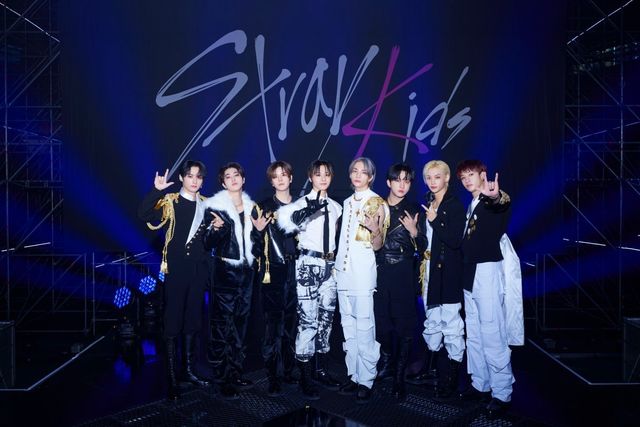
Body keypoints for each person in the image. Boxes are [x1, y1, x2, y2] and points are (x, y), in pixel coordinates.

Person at [138, 160, 211, 401]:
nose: (194, 180)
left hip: (198, 272)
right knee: (172, 322)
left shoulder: (207, 205)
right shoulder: (171, 201)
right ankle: (171, 378)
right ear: (181, 178)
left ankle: (188, 371)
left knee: (193, 320)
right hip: (176, 271)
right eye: (190, 176)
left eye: (199, 177)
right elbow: (144, 214)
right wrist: (156, 190)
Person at [277, 160, 342, 400]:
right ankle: (304, 376)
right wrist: (306, 211)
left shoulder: (337, 207)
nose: (323, 178)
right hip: (308, 264)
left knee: (326, 320)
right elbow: (287, 226)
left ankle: (320, 370)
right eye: (318, 174)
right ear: (310, 177)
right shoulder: (300, 204)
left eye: (327, 174)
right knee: (307, 322)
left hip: (330, 267)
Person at [456, 159, 514, 418]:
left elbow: (501, 203)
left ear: (483, 174)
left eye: (471, 174)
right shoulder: (472, 205)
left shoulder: (490, 199)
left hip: (488, 271)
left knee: (492, 332)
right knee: (475, 334)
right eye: (463, 177)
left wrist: (496, 196)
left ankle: (502, 393)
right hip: (470, 273)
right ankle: (481, 384)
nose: (467, 180)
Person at [335, 157, 389, 403]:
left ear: (371, 176)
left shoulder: (377, 202)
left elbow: (377, 245)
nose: (358, 175)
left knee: (365, 327)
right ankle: (354, 375)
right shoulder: (346, 202)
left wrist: (374, 228)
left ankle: (367, 379)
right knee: (348, 327)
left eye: (363, 172)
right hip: (343, 272)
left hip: (363, 275)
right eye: (354, 171)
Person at [203, 162, 258, 399]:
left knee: (241, 326)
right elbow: (207, 243)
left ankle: (235, 372)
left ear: (243, 179)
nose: (233, 178)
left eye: (237, 174)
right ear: (223, 183)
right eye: (228, 176)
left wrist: (259, 232)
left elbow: (256, 243)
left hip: (247, 273)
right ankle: (221, 378)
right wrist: (216, 229)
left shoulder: (253, 207)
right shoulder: (214, 207)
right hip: (225, 271)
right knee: (221, 327)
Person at [374, 163, 426, 399]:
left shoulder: (414, 209)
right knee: (382, 323)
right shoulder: (377, 206)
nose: (402, 184)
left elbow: (424, 246)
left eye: (407, 180)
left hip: (404, 271)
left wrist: (415, 232)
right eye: (398, 179)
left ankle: (399, 376)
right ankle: (387, 363)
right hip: (380, 270)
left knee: (405, 326)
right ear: (388, 182)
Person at [251, 161, 299, 396]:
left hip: (297, 271)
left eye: (284, 175)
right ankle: (273, 376)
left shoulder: (301, 206)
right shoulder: (263, 208)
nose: (280, 179)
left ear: (291, 178)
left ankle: (289, 371)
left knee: (293, 326)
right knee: (273, 328)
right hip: (272, 273)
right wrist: (258, 231)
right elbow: (254, 248)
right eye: (275, 176)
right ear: (271, 181)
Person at [420, 160, 466, 399]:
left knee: (451, 323)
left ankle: (452, 377)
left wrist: (435, 219)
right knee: (432, 320)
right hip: (430, 270)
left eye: (437, 177)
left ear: (447, 178)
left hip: (448, 272)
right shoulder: (429, 202)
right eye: (429, 177)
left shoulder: (454, 205)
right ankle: (430, 369)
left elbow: (455, 240)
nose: (432, 181)